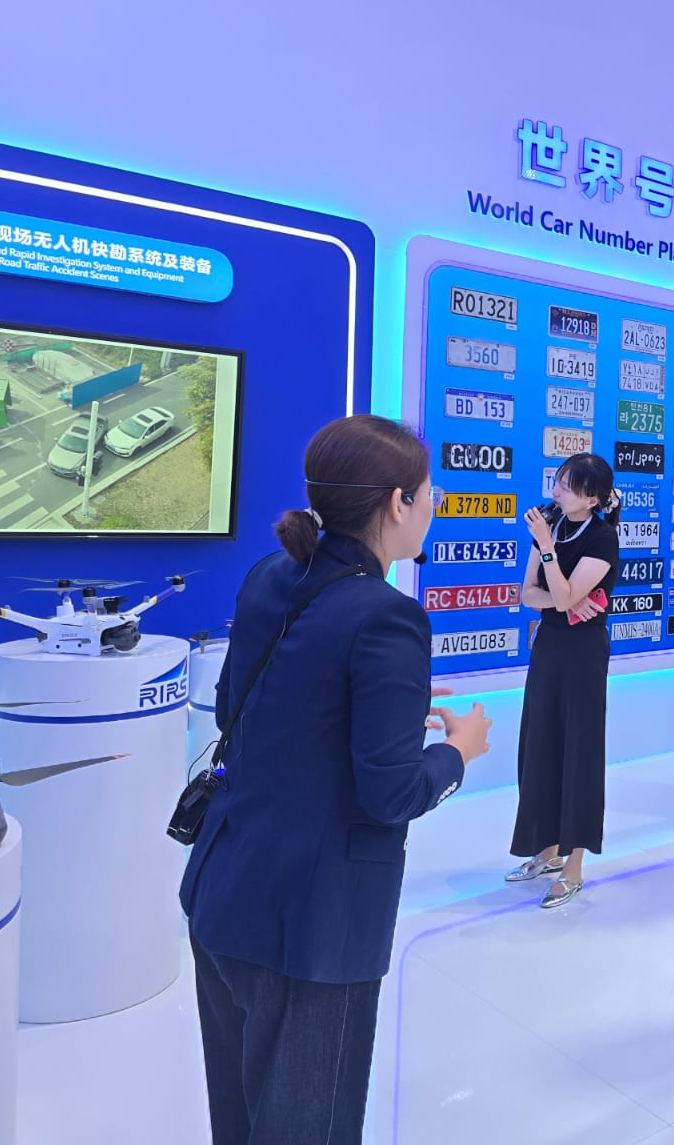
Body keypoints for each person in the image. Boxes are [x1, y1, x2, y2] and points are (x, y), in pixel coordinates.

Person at [180, 414, 492, 1145]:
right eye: (428, 493)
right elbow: (391, 795)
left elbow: (239, 707)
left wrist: (376, 713)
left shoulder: (270, 573)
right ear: (396, 503)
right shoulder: (388, 617)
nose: (434, 504)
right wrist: (457, 753)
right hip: (314, 928)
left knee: (240, 1122)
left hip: (222, 891)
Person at [509, 453, 621, 908]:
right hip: (549, 647)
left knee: (579, 752)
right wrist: (567, 598)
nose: (556, 491)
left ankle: (573, 866)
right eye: (557, 481)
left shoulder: (602, 537)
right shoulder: (550, 526)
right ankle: (546, 848)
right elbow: (529, 595)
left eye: (568, 486)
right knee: (539, 744)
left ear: (592, 498)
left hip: (583, 655)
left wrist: (549, 554)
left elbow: (559, 593)